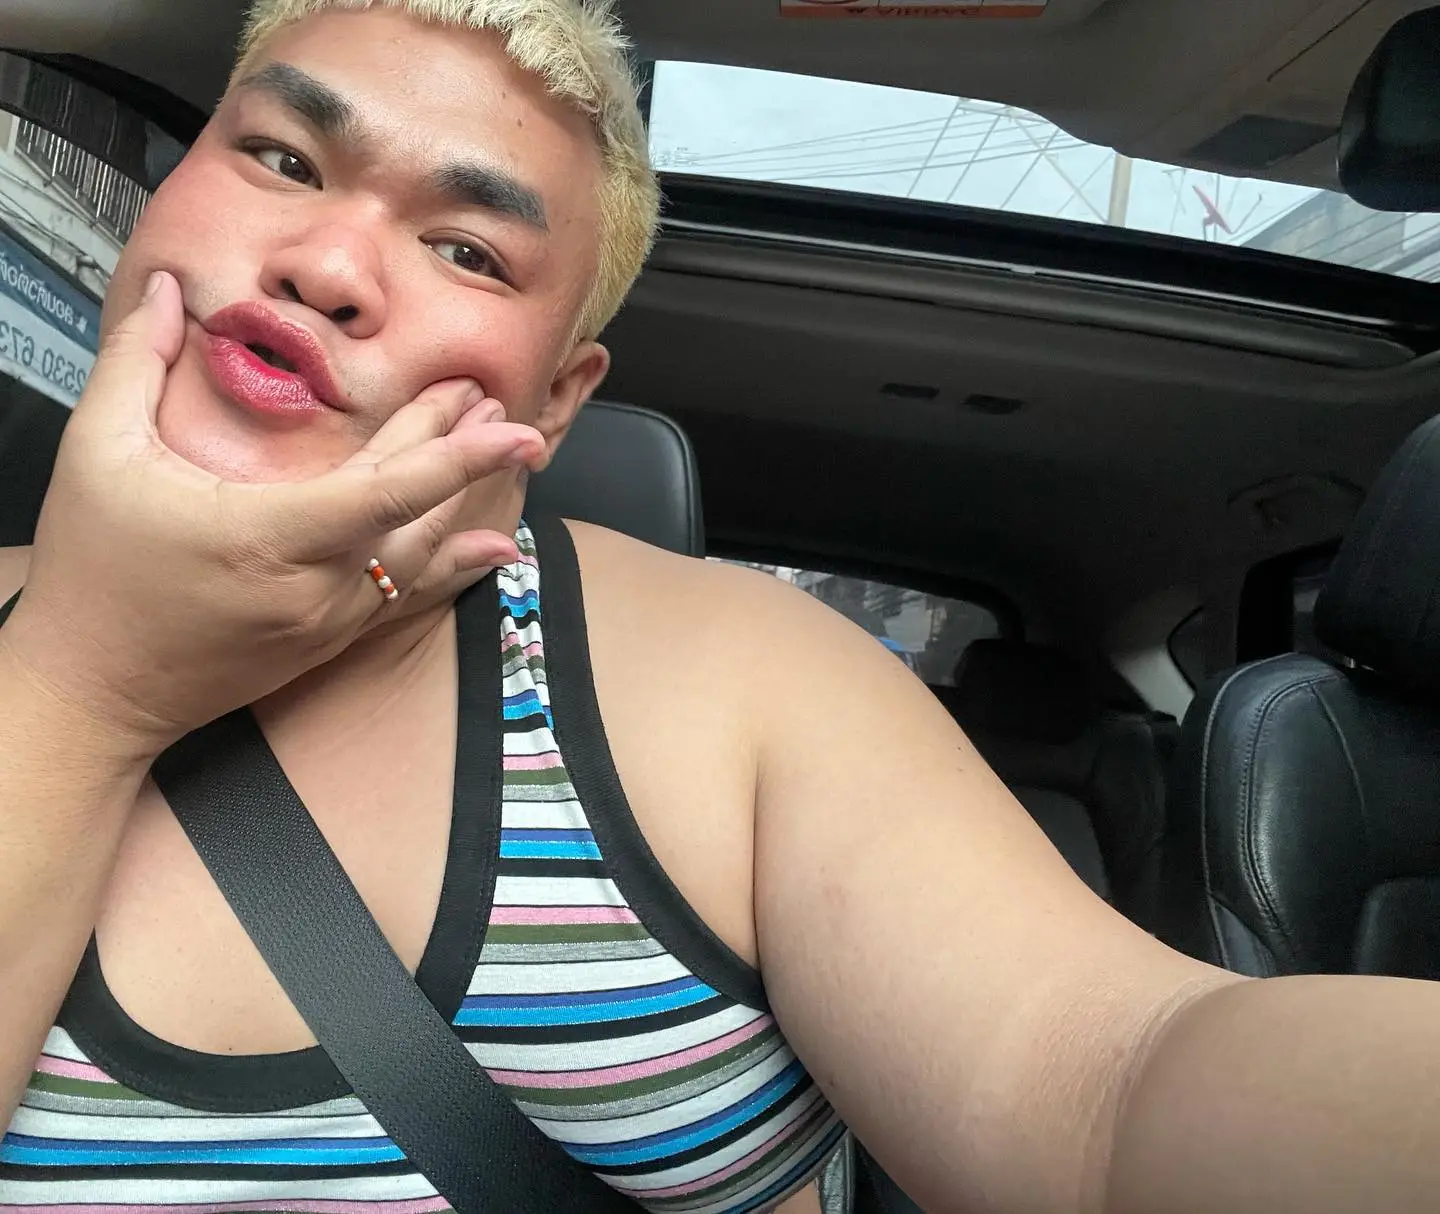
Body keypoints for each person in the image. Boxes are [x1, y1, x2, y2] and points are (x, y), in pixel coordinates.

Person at [1, 1, 1439, 1211]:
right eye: (281, 156)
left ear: (553, 405)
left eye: (469, 249)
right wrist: (85, 680)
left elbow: (1110, 1091)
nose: (324, 264)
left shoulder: (746, 684)